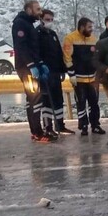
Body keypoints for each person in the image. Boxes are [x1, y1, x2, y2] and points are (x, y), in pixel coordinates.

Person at [12, 0, 52, 143]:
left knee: (33, 99)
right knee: (35, 99)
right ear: (29, 10)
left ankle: (35, 131)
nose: (40, 12)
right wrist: (31, 65)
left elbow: (33, 48)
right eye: (38, 9)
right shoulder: (20, 24)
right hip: (26, 68)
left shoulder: (28, 24)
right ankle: (37, 132)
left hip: (32, 66)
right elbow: (21, 47)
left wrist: (40, 63)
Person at [63, 17, 105, 136]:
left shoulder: (93, 39)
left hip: (92, 78)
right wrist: (71, 74)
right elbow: (67, 58)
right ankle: (84, 126)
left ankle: (95, 125)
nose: (91, 30)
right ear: (82, 27)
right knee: (81, 102)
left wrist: (97, 74)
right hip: (78, 78)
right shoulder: (70, 38)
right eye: (89, 27)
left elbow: (96, 58)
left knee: (94, 103)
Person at [37, 9, 74, 137]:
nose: (50, 22)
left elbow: (58, 52)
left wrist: (62, 69)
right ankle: (48, 127)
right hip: (45, 72)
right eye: (47, 19)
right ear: (41, 19)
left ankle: (60, 125)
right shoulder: (37, 33)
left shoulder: (52, 34)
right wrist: (40, 66)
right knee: (47, 101)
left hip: (55, 72)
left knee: (58, 99)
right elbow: (35, 53)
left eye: (51, 20)